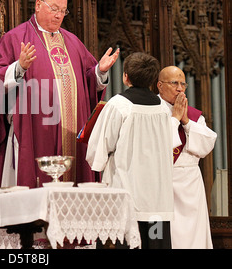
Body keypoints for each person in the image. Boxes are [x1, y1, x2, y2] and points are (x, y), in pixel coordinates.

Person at [0, 0, 119, 188]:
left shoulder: (72, 41)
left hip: (73, 133)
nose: (59, 15)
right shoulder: (15, 38)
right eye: (54, 8)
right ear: (38, 5)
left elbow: (89, 82)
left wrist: (100, 71)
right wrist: (18, 68)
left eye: (63, 11)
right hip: (33, 128)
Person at [86, 52, 175, 248]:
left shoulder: (119, 105)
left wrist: (98, 162)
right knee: (155, 243)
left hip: (125, 197)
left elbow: (99, 148)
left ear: (125, 77)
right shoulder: (163, 108)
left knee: (123, 244)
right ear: (153, 80)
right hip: (157, 203)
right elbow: (171, 144)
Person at [157, 66, 217, 249]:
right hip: (162, 180)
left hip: (190, 184)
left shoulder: (193, 115)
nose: (180, 89)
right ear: (160, 85)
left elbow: (207, 144)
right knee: (164, 234)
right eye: (174, 83)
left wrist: (186, 121)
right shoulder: (150, 110)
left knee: (193, 236)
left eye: (183, 84)